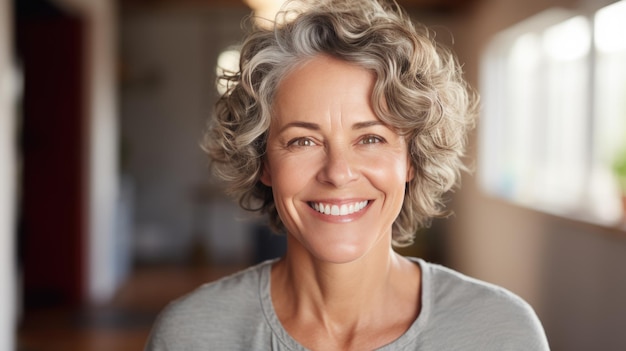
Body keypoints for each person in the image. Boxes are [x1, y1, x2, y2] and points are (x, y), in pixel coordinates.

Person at [145, 0, 550, 350]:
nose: (338, 173)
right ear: (264, 162)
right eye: (303, 141)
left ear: (411, 158)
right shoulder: (189, 334)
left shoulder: (502, 332)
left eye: (370, 138)